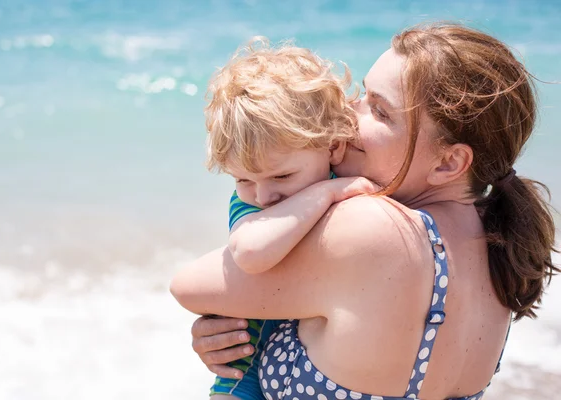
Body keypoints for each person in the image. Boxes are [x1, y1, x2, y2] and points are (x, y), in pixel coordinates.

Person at [172, 22, 558, 400]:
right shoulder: (498, 249)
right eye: (362, 96)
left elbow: (190, 286)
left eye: (379, 111)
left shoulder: (373, 225)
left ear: (449, 163)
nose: (351, 116)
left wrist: (228, 325)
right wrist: (250, 328)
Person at [203, 38, 377, 399]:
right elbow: (251, 254)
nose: (264, 197)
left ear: (332, 146)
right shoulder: (249, 206)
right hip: (244, 371)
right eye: (243, 179)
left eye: (281, 177)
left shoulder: (345, 186)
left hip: (310, 359)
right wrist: (324, 193)